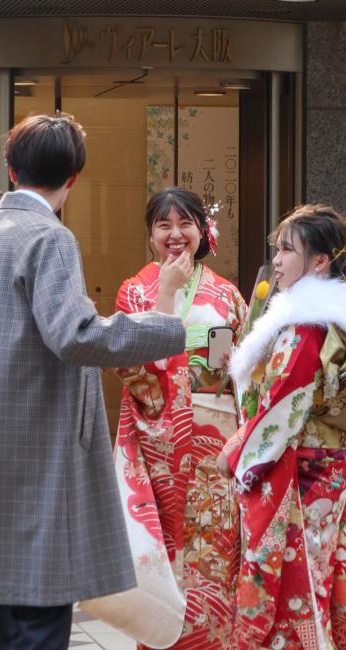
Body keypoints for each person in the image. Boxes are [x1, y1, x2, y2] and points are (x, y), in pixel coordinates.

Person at [0, 112, 186, 650]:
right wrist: (164, 326)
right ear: (73, 177)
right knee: (38, 616)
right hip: (35, 453)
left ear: (11, 169)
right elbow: (76, 335)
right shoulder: (49, 238)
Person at [218, 205, 346, 649]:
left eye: (287, 250)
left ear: (320, 261)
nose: (277, 260)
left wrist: (237, 451)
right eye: (277, 249)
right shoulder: (334, 320)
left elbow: (283, 404)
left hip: (298, 474)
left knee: (294, 582)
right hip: (324, 469)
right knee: (317, 574)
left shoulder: (306, 326)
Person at [112, 187, 246, 648]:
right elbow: (134, 369)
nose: (175, 234)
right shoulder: (134, 291)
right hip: (160, 448)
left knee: (215, 554)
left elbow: (241, 372)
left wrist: (235, 369)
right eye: (163, 225)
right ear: (150, 234)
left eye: (185, 223)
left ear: (202, 231)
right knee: (165, 562)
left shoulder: (227, 293)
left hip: (217, 445)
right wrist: (166, 292)